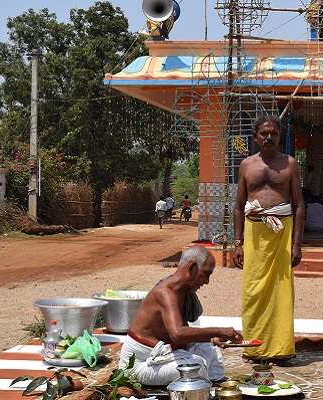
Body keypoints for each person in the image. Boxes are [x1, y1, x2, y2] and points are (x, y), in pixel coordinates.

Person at [233, 115, 305, 362]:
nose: (268, 137)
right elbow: (238, 206)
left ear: (280, 136)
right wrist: (238, 243)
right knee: (252, 290)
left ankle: (280, 347)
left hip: (281, 234)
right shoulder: (246, 165)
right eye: (264, 133)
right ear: (255, 137)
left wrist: (296, 244)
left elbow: (299, 205)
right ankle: (254, 346)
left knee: (281, 292)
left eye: (273, 133)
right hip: (254, 234)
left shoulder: (290, 164)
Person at [119, 246, 243, 385]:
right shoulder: (165, 293)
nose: (207, 281)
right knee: (196, 367)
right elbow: (177, 334)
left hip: (163, 353)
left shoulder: (184, 290)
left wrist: (212, 338)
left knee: (210, 353)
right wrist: (219, 331)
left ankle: (211, 387)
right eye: (206, 274)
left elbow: (183, 330)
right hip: (139, 365)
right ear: (192, 268)